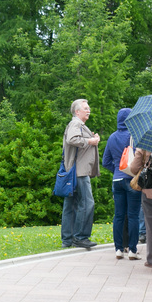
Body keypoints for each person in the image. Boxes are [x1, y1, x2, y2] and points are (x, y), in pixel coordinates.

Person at [102, 108, 142, 260]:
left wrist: (117, 170)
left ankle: (118, 249)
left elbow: (105, 161)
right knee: (133, 216)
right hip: (132, 180)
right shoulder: (135, 135)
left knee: (118, 215)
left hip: (117, 180)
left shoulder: (112, 137)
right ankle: (132, 250)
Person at [61, 99, 100, 249]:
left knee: (71, 205)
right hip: (79, 171)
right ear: (77, 112)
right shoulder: (76, 124)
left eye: (88, 107)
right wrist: (90, 141)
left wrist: (93, 139)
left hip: (74, 171)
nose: (88, 110)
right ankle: (81, 237)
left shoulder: (78, 125)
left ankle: (68, 239)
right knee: (87, 203)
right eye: (85, 108)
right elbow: (72, 139)